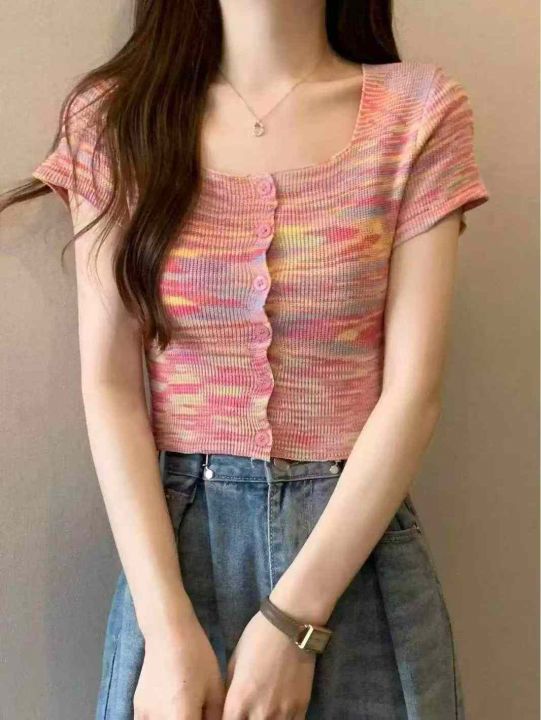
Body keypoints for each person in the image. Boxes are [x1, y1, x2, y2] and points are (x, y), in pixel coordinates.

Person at [1, 1, 490, 718]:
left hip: (353, 554)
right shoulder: (114, 119)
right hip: (171, 561)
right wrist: (166, 630)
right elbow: (111, 388)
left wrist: (294, 623)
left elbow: (412, 394)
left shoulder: (418, 113)